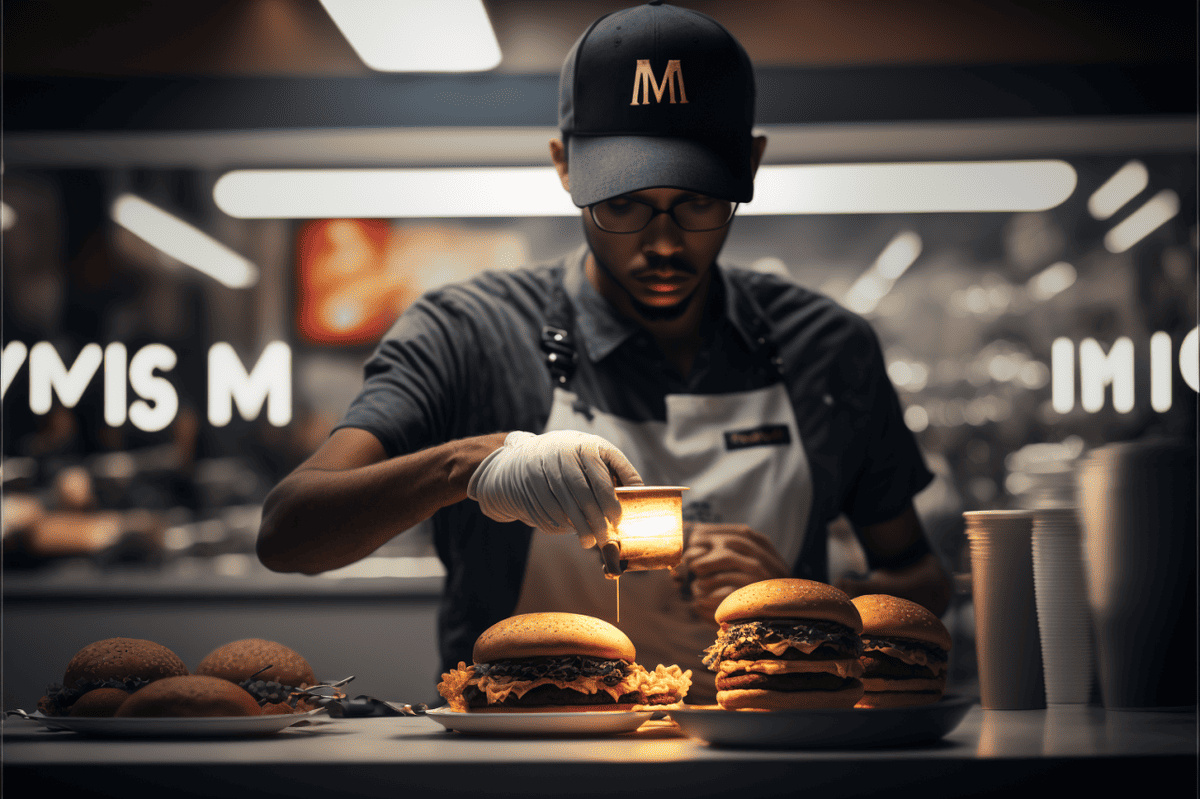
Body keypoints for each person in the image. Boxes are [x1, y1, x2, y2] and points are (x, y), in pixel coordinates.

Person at [257, 0, 951, 703]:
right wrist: (470, 465)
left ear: (752, 163)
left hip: (775, 755)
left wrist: (806, 604)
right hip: (523, 760)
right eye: (620, 204)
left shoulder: (829, 348)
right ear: (564, 166)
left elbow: (919, 578)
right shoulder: (468, 332)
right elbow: (288, 533)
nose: (664, 243)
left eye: (700, 202)